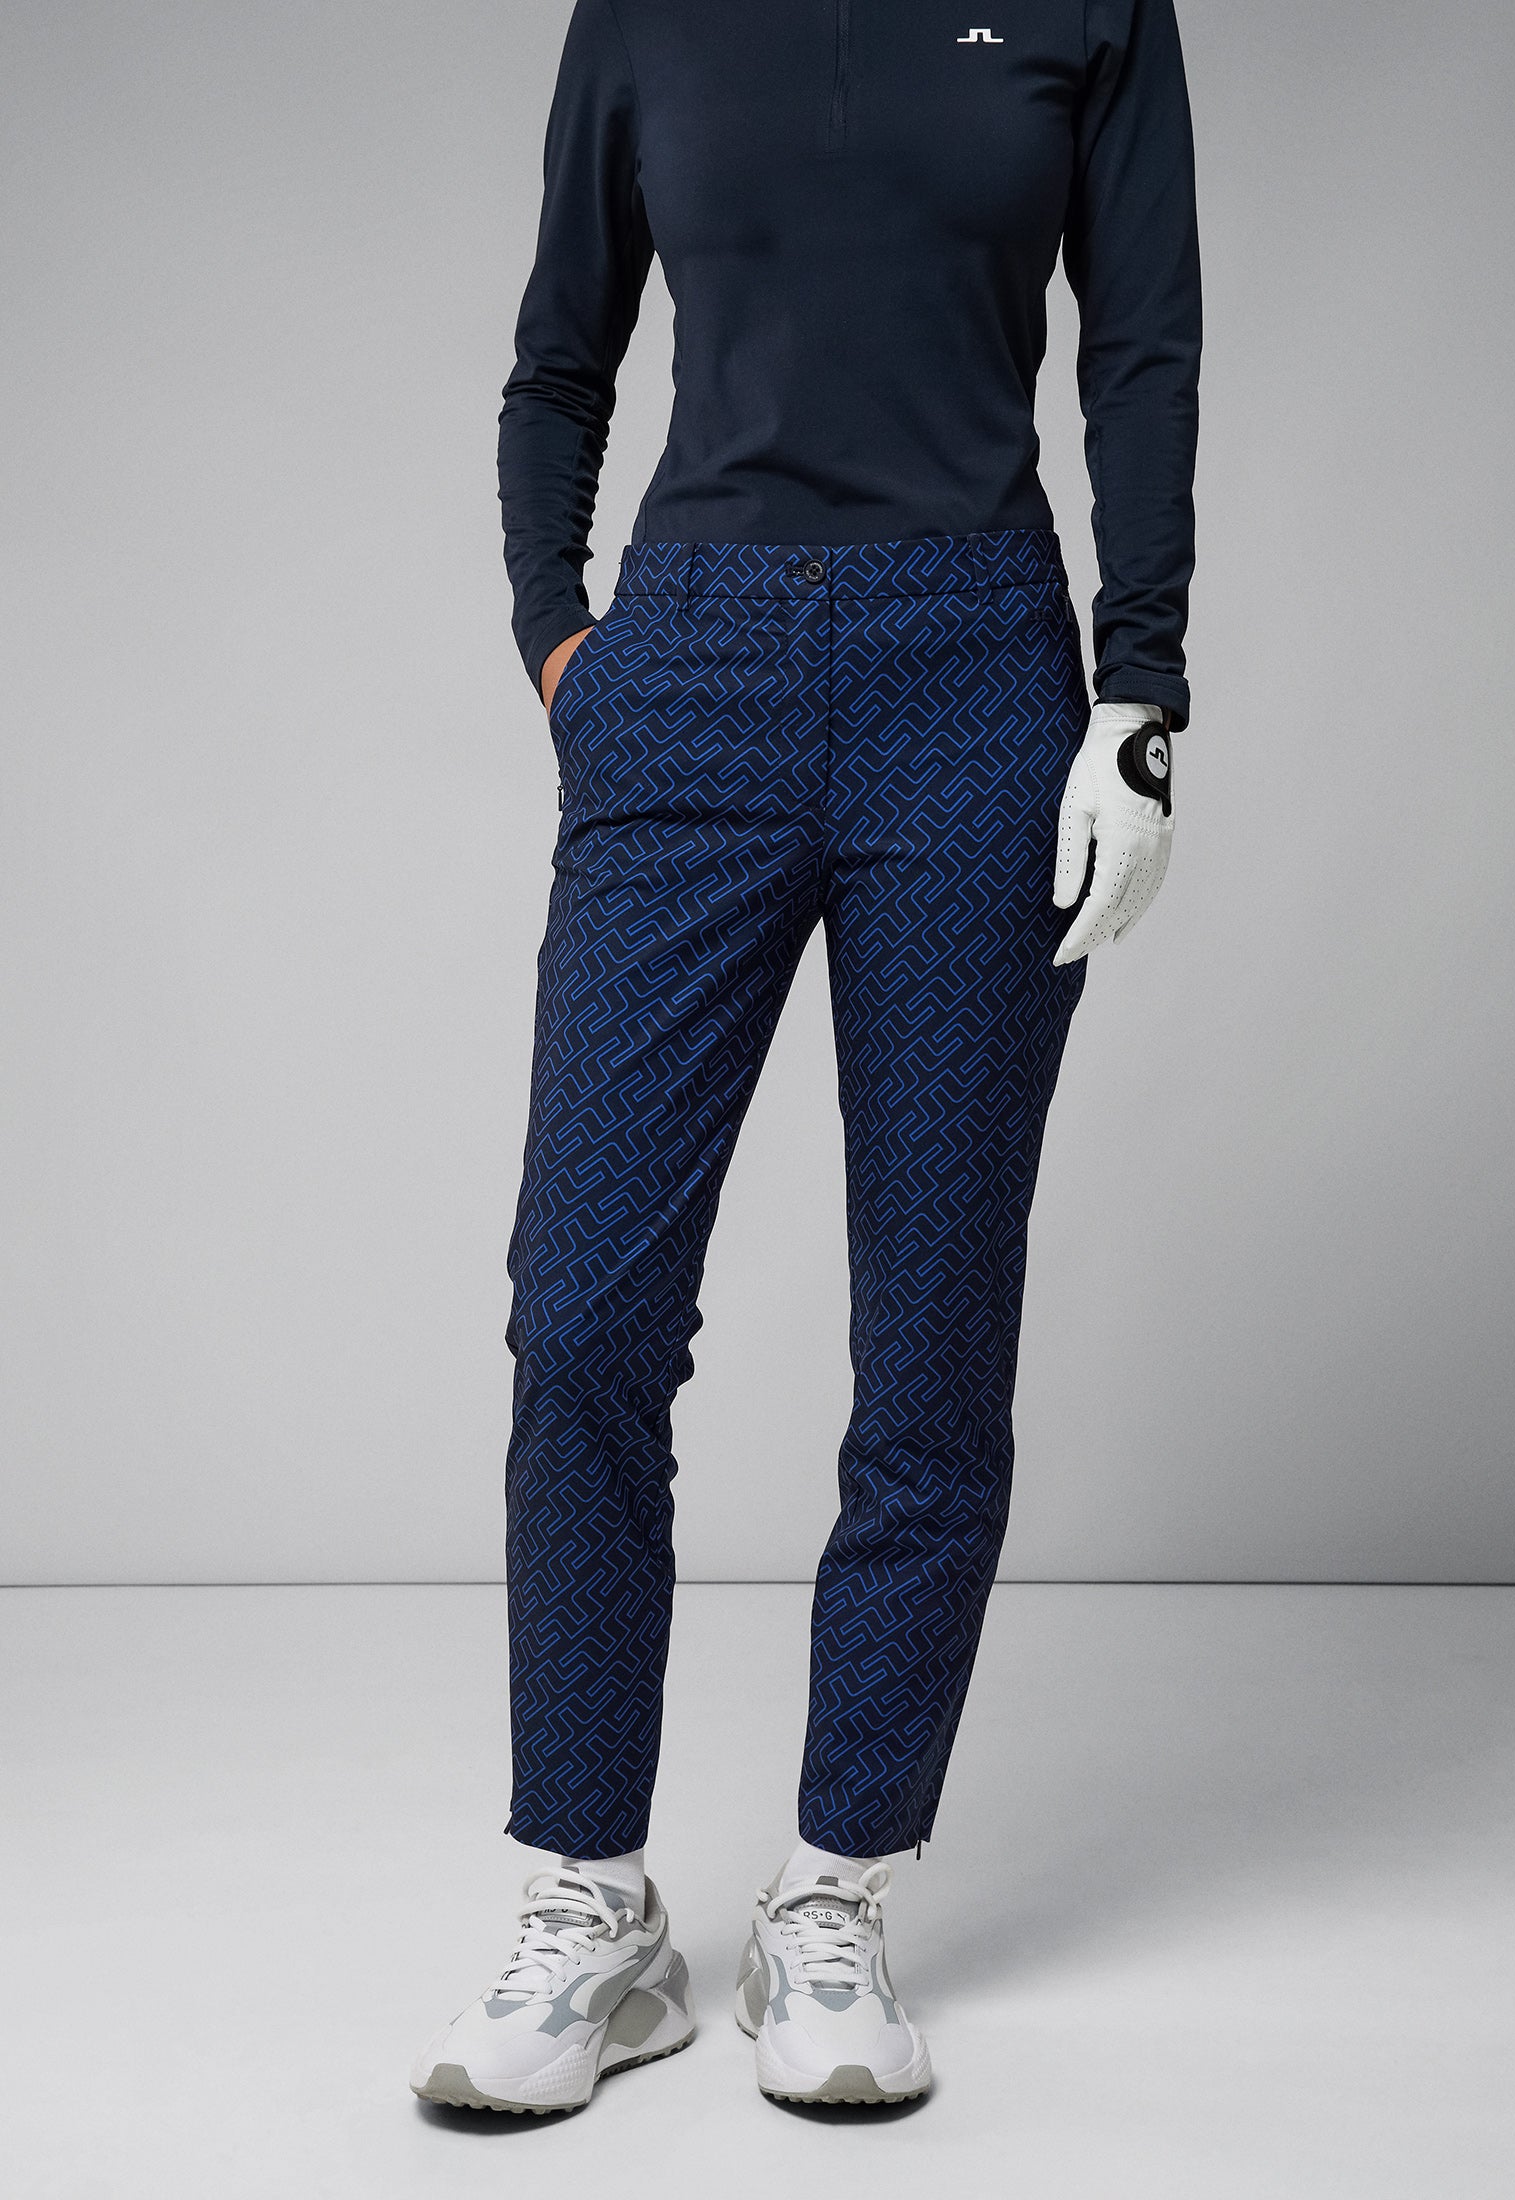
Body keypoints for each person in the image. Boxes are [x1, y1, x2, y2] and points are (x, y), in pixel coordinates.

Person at [411, 0, 1199, 2116]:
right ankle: (592, 1906)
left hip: (979, 675)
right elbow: (557, 358)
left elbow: (1143, 345)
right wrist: (565, 646)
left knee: (930, 1328)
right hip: (690, 667)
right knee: (583, 1311)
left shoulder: (1093, 6)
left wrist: (1139, 693)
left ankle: (836, 1892)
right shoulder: (646, 10)